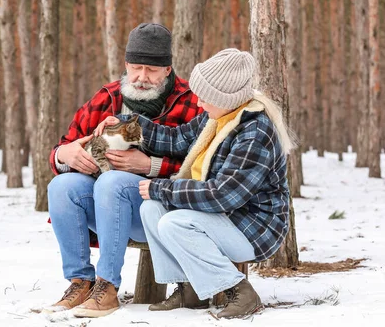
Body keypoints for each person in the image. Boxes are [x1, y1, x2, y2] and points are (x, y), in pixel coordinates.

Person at [95, 48, 295, 319]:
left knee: (172, 221)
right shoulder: (217, 117)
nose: (199, 102)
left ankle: (240, 291)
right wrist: (126, 125)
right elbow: (177, 139)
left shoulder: (254, 131)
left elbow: (224, 194)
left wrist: (163, 188)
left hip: (253, 228)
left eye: (206, 96)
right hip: (222, 217)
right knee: (151, 209)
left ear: (227, 97)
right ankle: (189, 288)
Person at [46, 23, 202, 318]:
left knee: (113, 182)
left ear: (167, 69)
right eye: (136, 67)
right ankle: (81, 282)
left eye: (152, 70)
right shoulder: (107, 97)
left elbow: (206, 168)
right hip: (109, 213)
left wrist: (150, 165)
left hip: (163, 214)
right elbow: (63, 148)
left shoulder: (191, 102)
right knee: (61, 187)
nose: (142, 77)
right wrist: (63, 155)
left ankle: (108, 286)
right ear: (126, 64)